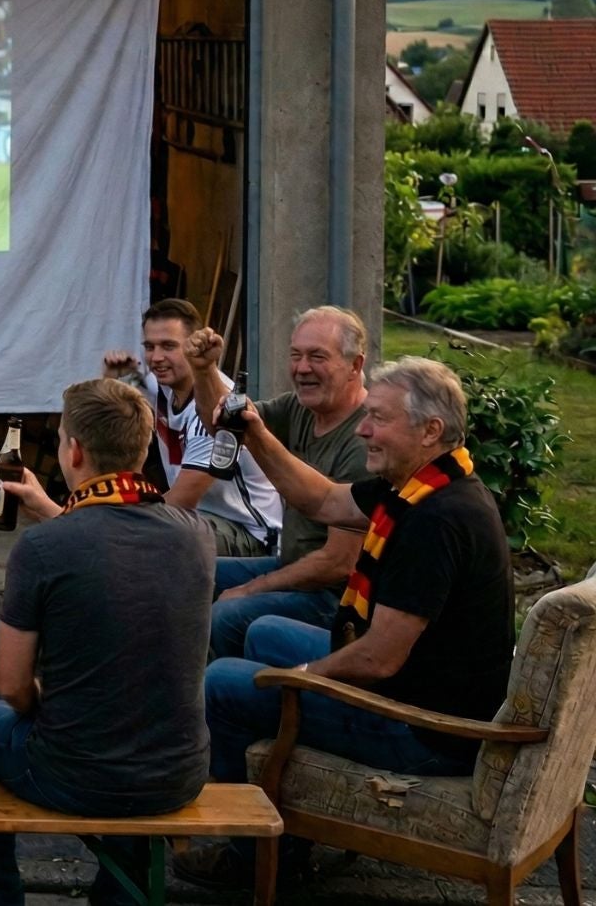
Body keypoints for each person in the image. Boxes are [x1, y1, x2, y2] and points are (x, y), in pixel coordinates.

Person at [184, 356, 514, 888]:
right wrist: (255, 435)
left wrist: (301, 679)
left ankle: (255, 859)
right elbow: (323, 499)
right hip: (416, 686)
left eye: (379, 418)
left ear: (430, 430)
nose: (363, 428)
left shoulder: (437, 521)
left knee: (221, 684)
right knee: (264, 630)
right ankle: (283, 816)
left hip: (425, 728)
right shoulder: (423, 487)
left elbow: (379, 658)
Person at [0, 379, 213, 906]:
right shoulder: (197, 534)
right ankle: (118, 897)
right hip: (179, 773)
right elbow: (114, 549)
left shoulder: (42, 548)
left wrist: (38, 710)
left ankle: (1, 896)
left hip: (75, 775)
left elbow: (11, 685)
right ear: (143, 449)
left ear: (74, 450)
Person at [186, 308, 371, 658]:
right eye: (295, 355)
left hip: (338, 598)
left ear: (355, 366)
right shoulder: (301, 408)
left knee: (228, 614)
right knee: (186, 568)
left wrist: (251, 589)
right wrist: (205, 370)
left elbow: (338, 563)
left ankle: (230, 697)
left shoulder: (364, 441)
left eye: (317, 357)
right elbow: (225, 427)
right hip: (292, 565)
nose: (302, 368)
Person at [102, 299, 281, 557]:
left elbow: (182, 499)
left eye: (169, 346)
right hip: (200, 518)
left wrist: (119, 523)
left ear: (193, 347)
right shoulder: (161, 386)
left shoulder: (218, 409)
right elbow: (99, 424)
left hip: (251, 535)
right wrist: (110, 375)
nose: (156, 358)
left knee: (143, 538)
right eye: (149, 347)